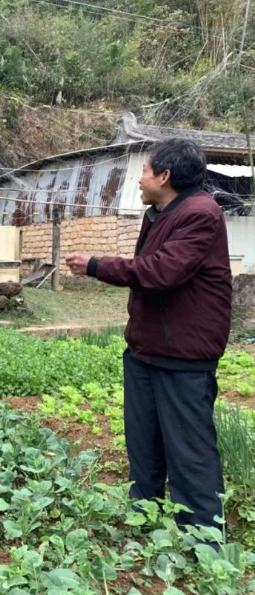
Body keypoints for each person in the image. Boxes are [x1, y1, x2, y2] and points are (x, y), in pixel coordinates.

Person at [66, 138, 232, 535]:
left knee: (189, 451)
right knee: (144, 445)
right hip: (146, 351)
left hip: (183, 356)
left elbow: (159, 272)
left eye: (143, 171)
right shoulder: (159, 212)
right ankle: (146, 520)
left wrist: (95, 265)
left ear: (164, 175)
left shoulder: (200, 214)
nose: (139, 180)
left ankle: (204, 541)